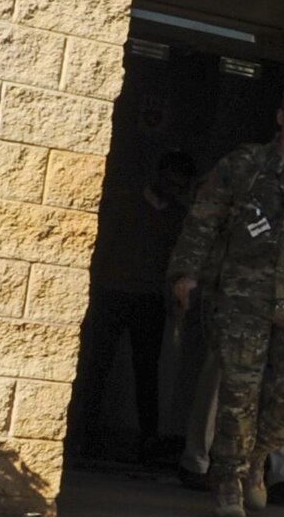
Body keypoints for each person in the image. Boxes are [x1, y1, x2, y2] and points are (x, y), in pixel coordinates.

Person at [166, 86, 284, 517]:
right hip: (241, 299)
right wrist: (186, 273)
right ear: (280, 116)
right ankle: (229, 482)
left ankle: (255, 459)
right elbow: (203, 219)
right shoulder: (244, 165)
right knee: (238, 395)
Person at [71, 148, 194, 464]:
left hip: (150, 298)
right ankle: (83, 435)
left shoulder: (178, 217)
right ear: (159, 175)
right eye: (171, 182)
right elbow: (102, 245)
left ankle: (147, 440)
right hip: (112, 292)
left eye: (181, 186)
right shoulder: (126, 203)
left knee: (147, 372)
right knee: (97, 366)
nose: (174, 189)